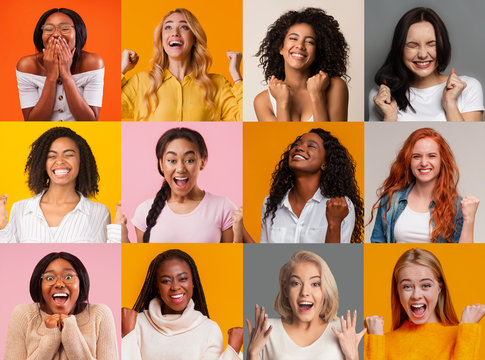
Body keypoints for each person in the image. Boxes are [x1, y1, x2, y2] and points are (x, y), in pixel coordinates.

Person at [0, 127, 125, 243]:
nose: (59, 161)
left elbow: (105, 257)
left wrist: (119, 227)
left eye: (69, 155)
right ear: (43, 163)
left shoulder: (99, 213)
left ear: (81, 161)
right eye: (51, 156)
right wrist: (2, 225)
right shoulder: (20, 209)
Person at [121, 8, 242, 121]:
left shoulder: (217, 84)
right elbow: (105, 109)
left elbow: (243, 119)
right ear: (161, 39)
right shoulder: (140, 82)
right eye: (168, 27)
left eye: (184, 27)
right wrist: (122, 70)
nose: (175, 33)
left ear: (194, 38)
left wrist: (236, 75)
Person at [132, 127, 248, 243]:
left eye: (189, 160)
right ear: (161, 164)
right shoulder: (144, 210)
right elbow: (140, 258)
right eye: (172, 160)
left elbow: (230, 259)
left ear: (202, 162)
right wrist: (122, 237)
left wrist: (238, 235)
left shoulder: (223, 207)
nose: (180, 169)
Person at [365, 248, 485, 359]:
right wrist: (375, 341)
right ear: (397, 292)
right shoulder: (382, 342)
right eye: (407, 286)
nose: (416, 295)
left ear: (439, 288)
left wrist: (468, 328)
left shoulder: (462, 336)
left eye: (426, 285)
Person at [122, 249, 243, 359]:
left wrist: (233, 351)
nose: (175, 287)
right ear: (157, 287)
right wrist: (127, 334)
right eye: (166, 281)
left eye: (183, 279)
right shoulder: (136, 324)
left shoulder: (209, 329)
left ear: (193, 282)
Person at [369, 7, 484, 121]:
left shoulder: (468, 88)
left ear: (442, 46)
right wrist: (390, 117)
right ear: (400, 49)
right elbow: (380, 139)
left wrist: (450, 103)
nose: (423, 54)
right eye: (412, 45)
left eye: (431, 44)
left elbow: (468, 139)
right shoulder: (381, 96)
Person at [246, 250, 365, 360]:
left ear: (325, 291)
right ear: (286, 290)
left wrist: (353, 355)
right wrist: (252, 354)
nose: (304, 292)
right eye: (296, 283)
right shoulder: (266, 330)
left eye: (315, 284)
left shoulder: (342, 331)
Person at [370, 128, 479, 243]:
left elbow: (463, 258)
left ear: (442, 160)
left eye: (431, 156)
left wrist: (469, 220)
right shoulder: (391, 200)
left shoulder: (456, 206)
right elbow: (376, 247)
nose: (424, 163)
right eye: (416, 156)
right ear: (408, 160)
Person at [4, 252, 118, 359]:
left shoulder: (99, 314)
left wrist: (71, 332)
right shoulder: (23, 314)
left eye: (68, 277)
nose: (59, 284)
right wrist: (51, 337)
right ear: (39, 284)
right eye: (49, 278)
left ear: (81, 282)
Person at [260, 128, 363, 243]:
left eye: (311, 146)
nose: (299, 148)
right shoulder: (271, 202)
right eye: (297, 144)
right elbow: (262, 255)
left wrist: (334, 224)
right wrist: (240, 227)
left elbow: (336, 260)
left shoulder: (341, 205)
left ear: (325, 164)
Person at [254, 8, 349, 122]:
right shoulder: (263, 102)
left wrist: (317, 95)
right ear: (281, 47)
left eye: (309, 41)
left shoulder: (335, 86)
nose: (300, 45)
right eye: (293, 38)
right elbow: (282, 139)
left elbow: (330, 137)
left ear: (318, 52)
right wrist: (282, 103)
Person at [16, 8, 104, 121]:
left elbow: (90, 121)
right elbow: (32, 123)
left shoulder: (93, 63)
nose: (56, 34)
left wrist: (66, 74)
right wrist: (52, 76)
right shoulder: (27, 66)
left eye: (65, 29)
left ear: (78, 33)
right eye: (48, 29)